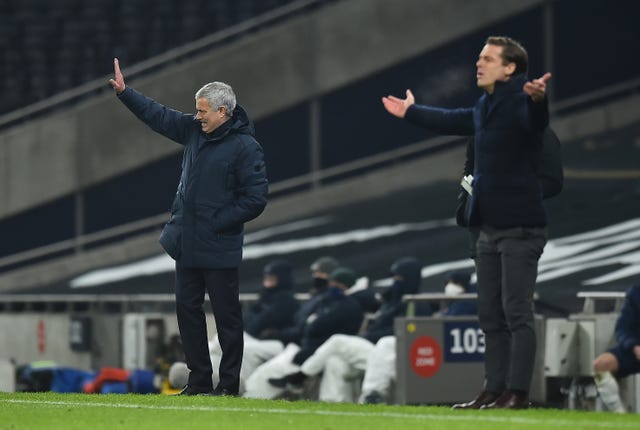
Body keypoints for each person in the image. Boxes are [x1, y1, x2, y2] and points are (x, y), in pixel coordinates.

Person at [382, 36, 551, 409]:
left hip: (520, 228)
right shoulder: (485, 105)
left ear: (510, 68)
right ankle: (494, 389)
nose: (479, 63)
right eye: (479, 58)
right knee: (490, 313)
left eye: (488, 59)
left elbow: (535, 120)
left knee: (516, 311)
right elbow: (453, 120)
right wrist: (412, 112)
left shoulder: (522, 100)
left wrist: (540, 100)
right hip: (488, 227)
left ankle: (518, 393)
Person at [109, 58, 268, 396]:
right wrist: (126, 93)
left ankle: (227, 386)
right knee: (187, 313)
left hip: (219, 246)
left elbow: (255, 199)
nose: (197, 116)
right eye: (196, 111)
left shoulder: (245, 147)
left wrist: (218, 222)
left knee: (227, 320)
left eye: (203, 111)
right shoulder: (194, 130)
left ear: (223, 112)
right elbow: (160, 116)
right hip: (187, 244)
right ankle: (198, 382)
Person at [268, 257, 430, 403]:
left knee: (338, 340)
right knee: (335, 363)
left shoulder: (416, 303)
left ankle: (300, 377)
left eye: (399, 278)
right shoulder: (390, 301)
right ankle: (334, 408)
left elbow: (406, 333)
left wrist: (367, 336)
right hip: (374, 350)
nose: (395, 281)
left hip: (394, 353)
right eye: (394, 277)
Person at [243, 267, 364, 399]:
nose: (333, 287)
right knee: (265, 372)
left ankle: (253, 398)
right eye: (332, 283)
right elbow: (306, 328)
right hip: (305, 349)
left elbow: (316, 330)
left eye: (338, 284)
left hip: (316, 352)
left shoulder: (347, 306)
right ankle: (247, 396)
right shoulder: (325, 303)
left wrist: (299, 336)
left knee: (271, 371)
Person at [359, 270, 477, 404]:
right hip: (435, 350)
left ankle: (374, 395)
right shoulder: (450, 305)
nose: (450, 287)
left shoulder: (469, 302)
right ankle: (373, 396)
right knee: (386, 347)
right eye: (448, 283)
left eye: (455, 283)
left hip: (443, 354)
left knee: (386, 345)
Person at [592, 284, 640, 413]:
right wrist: (634, 346)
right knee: (601, 364)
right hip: (635, 351)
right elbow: (621, 328)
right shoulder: (636, 294)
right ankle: (618, 414)